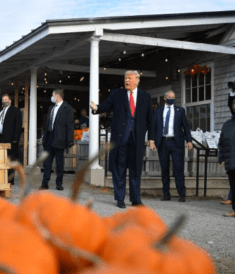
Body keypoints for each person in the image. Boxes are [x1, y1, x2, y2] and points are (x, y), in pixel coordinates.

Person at [90, 70, 155, 208]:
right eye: (125, 78)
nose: (127, 80)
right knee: (119, 169)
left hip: (136, 139)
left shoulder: (145, 96)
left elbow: (150, 118)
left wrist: (151, 138)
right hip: (120, 138)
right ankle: (120, 198)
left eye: (130, 78)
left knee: (135, 169)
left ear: (137, 80)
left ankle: (135, 199)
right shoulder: (117, 94)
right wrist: (96, 108)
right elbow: (106, 106)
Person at [154, 91, 193, 202]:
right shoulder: (158, 111)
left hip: (176, 143)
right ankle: (166, 194)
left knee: (178, 169)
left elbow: (186, 126)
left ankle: (182, 194)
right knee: (164, 169)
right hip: (163, 142)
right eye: (169, 97)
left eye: (173, 97)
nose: (171, 99)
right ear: (164, 98)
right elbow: (154, 126)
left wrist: (189, 141)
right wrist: (151, 140)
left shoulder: (180, 110)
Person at [40, 89, 74, 190]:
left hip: (60, 138)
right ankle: (45, 182)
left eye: (53, 95)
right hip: (49, 138)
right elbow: (47, 124)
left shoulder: (67, 108)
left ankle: (59, 183)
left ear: (57, 96)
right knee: (47, 162)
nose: (52, 97)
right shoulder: (51, 108)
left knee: (59, 163)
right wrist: (44, 138)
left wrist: (70, 140)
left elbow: (70, 125)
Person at [0, 94, 22, 184]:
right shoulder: (1, 111)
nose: (4, 101)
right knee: (1, 159)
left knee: (10, 159)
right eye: (3, 99)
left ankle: (10, 180)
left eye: (6, 99)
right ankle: (2, 178)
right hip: (0, 138)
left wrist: (15, 139)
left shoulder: (15, 111)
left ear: (10, 101)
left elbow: (18, 125)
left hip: (10, 139)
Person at [218, 89, 235, 217]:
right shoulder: (227, 125)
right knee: (234, 187)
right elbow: (221, 143)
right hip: (231, 162)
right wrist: (222, 158)